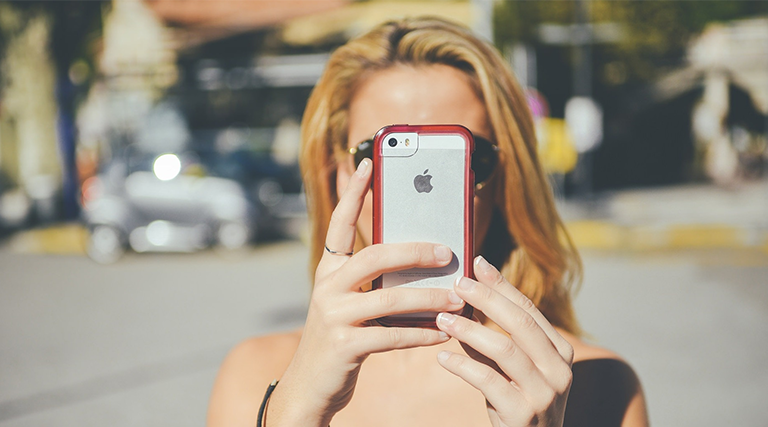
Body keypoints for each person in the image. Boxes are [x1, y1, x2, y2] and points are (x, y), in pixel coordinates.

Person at [207, 17, 648, 427]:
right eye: (384, 155)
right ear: (337, 175)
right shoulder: (255, 374)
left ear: (506, 180)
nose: (424, 190)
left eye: (463, 156)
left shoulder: (595, 385)